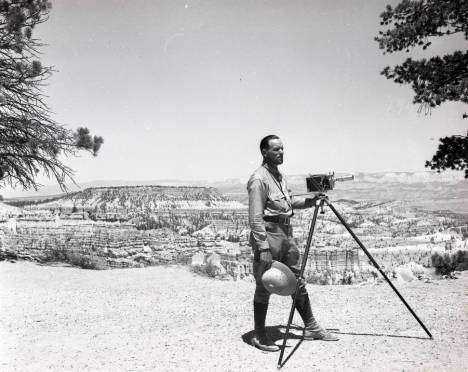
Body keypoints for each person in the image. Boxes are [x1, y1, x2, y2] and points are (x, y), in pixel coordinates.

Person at [247, 134, 339, 352]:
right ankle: (259, 335)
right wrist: (263, 246)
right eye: (276, 149)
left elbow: (289, 203)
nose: (281, 153)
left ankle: (312, 327)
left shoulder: (279, 177)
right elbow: (255, 217)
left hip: (286, 233)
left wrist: (312, 201)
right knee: (264, 283)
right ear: (264, 152)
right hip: (269, 234)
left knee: (297, 278)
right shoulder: (258, 179)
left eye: (282, 149)